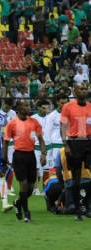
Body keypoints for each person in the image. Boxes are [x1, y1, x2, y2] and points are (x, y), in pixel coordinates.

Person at [2, 100, 47, 222]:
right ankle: (26, 213)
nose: (28, 107)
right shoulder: (12, 123)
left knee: (31, 188)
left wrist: (44, 154)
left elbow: (41, 139)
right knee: (24, 184)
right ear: (19, 108)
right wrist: (4, 158)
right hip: (19, 156)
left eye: (28, 105)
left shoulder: (34, 122)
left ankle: (17, 202)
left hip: (31, 155)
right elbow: (5, 142)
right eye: (25, 105)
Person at [60, 82, 91, 220]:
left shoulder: (90, 107)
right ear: (74, 91)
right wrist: (65, 144)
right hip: (74, 143)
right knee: (76, 177)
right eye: (81, 89)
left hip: (88, 142)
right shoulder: (68, 107)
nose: (83, 91)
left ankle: (87, 204)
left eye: (85, 89)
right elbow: (63, 125)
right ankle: (78, 209)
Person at [45, 94, 69, 174]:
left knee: (68, 169)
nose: (64, 105)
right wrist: (49, 149)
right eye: (62, 103)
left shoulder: (70, 115)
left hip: (68, 145)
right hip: (55, 145)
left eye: (66, 103)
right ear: (57, 102)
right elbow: (47, 134)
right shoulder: (51, 116)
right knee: (56, 170)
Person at [32, 100, 51, 195]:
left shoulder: (50, 118)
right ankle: (35, 188)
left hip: (47, 146)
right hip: (35, 146)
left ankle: (45, 188)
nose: (45, 110)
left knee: (46, 169)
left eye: (47, 108)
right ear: (38, 107)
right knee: (36, 169)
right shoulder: (33, 118)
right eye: (43, 108)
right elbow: (31, 133)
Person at [0, 98, 16, 196]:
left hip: (10, 142)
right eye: (6, 105)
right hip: (0, 142)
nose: (7, 108)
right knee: (2, 164)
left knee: (11, 164)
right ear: (3, 103)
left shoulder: (13, 113)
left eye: (9, 106)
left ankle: (9, 186)